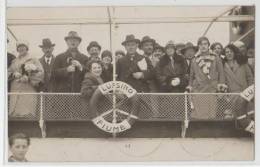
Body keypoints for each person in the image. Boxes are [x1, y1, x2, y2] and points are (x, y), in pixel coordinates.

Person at [188, 37, 226, 119]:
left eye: (205, 44)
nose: (203, 46)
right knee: (199, 115)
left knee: (211, 114)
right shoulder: (194, 60)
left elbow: (221, 73)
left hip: (212, 89)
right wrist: (190, 88)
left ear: (208, 45)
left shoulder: (216, 57)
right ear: (198, 46)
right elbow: (191, 76)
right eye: (201, 44)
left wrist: (221, 88)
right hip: (198, 90)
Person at [8, 41, 44, 117]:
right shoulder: (14, 61)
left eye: (23, 46)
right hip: (15, 91)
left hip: (28, 90)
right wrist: (14, 74)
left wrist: (29, 78)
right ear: (17, 49)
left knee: (27, 115)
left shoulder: (33, 59)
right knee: (15, 116)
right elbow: (7, 73)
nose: (21, 48)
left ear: (27, 48)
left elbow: (41, 72)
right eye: (19, 47)